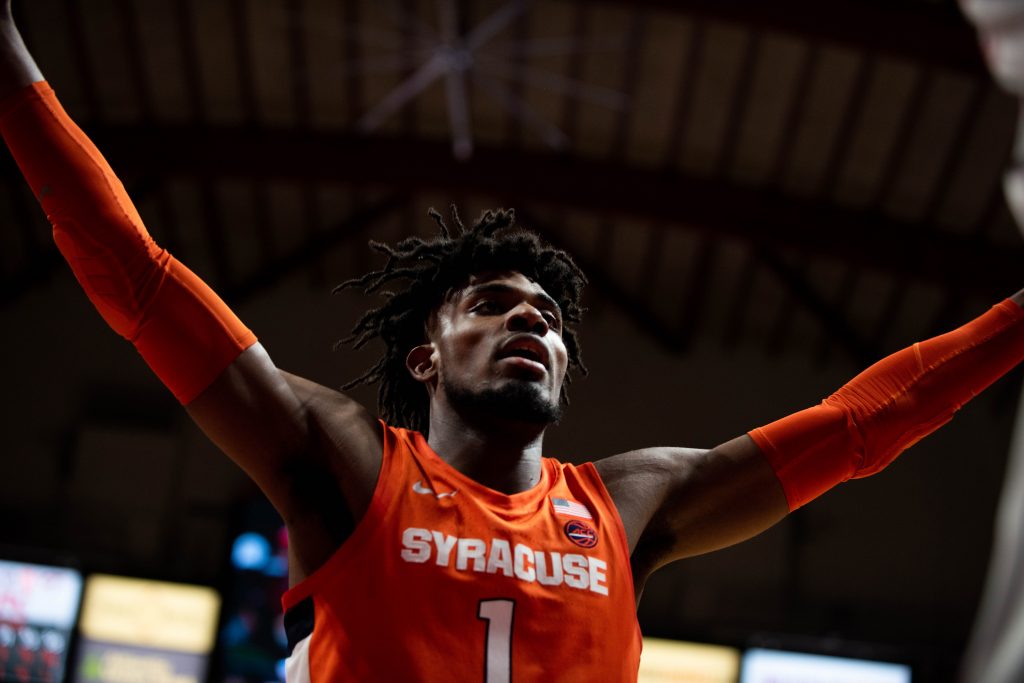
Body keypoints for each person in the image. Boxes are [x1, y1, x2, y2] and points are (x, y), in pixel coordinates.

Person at [1, 3, 1022, 681]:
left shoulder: (629, 502)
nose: (529, 317)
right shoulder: (348, 460)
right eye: (489, 302)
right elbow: (134, 276)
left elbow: (858, 426)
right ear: (426, 356)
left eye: (546, 314)